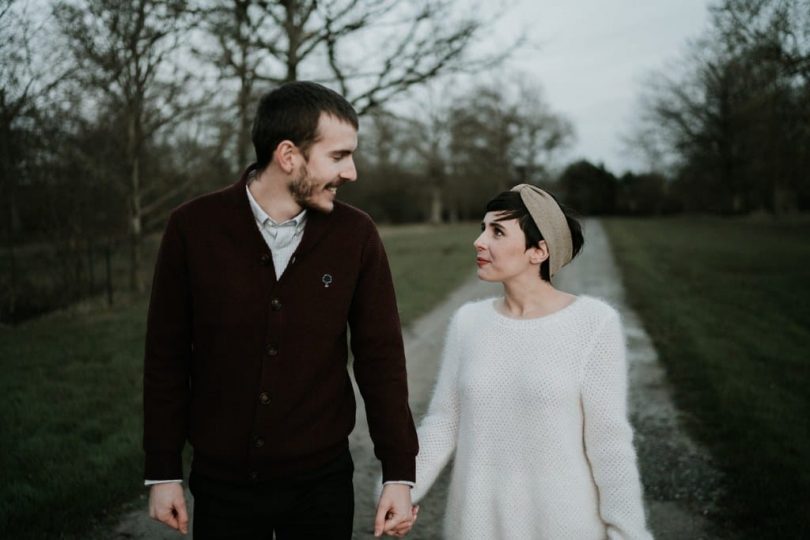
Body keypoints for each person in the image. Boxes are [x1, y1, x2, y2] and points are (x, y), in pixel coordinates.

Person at [143, 81, 418, 539]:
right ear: (288, 155)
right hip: (221, 486)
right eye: (339, 156)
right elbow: (166, 357)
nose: (351, 172)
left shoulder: (356, 236)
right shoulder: (192, 228)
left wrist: (398, 474)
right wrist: (163, 470)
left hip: (321, 486)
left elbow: (381, 359)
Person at [409, 185, 653, 539]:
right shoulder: (468, 321)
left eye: (497, 231)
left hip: (564, 526)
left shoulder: (594, 323)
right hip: (476, 525)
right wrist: (402, 488)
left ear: (539, 251)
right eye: (483, 228)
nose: (479, 241)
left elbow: (609, 442)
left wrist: (627, 533)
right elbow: (444, 422)